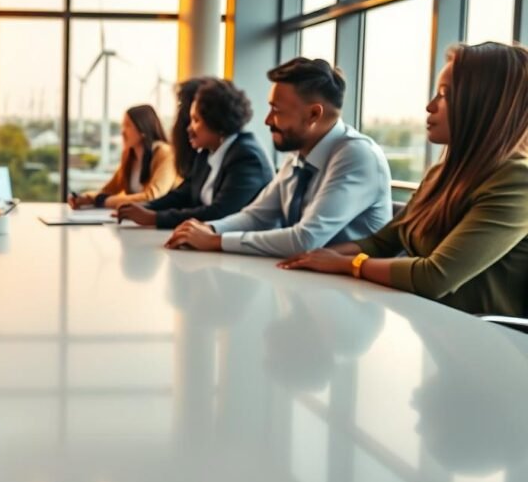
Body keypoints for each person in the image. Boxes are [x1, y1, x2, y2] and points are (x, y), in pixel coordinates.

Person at [280, 42, 528, 317]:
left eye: (444, 95)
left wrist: (346, 264)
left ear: (484, 104)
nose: (430, 106)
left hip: (487, 342)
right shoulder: (442, 173)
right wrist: (311, 258)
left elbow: (433, 277)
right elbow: (382, 242)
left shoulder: (518, 181)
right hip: (433, 326)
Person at [164, 57, 392, 256]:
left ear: (314, 114)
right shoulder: (299, 156)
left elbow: (305, 239)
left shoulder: (357, 156)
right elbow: (257, 216)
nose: (267, 120)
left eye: (277, 110)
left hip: (354, 294)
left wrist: (216, 241)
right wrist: (209, 229)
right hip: (308, 282)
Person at [117, 78, 273, 228]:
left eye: (196, 120)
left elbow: (221, 213)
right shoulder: (206, 153)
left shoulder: (246, 157)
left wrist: (154, 218)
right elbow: (182, 195)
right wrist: (144, 207)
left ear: (216, 121)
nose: (189, 128)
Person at [68, 104, 177, 209]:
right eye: (122, 126)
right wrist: (85, 198)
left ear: (143, 129)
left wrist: (104, 201)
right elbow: (108, 190)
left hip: (163, 225)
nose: (122, 131)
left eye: (128, 125)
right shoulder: (130, 156)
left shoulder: (165, 153)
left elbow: (152, 197)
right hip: (136, 222)